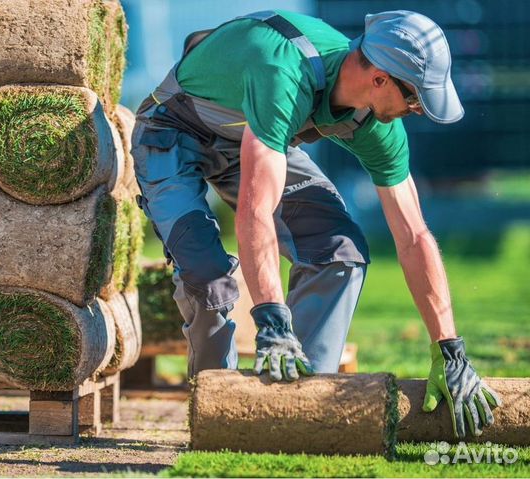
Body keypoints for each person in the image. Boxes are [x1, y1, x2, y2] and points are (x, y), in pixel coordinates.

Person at [130, 9, 501, 437]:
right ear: (380, 78)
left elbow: (414, 235)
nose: (417, 110)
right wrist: (271, 320)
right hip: (171, 133)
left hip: (256, 137)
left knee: (340, 252)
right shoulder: (283, 71)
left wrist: (449, 349)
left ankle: (293, 411)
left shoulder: (376, 124)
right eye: (415, 98)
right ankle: (220, 418)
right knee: (208, 278)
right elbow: (256, 210)